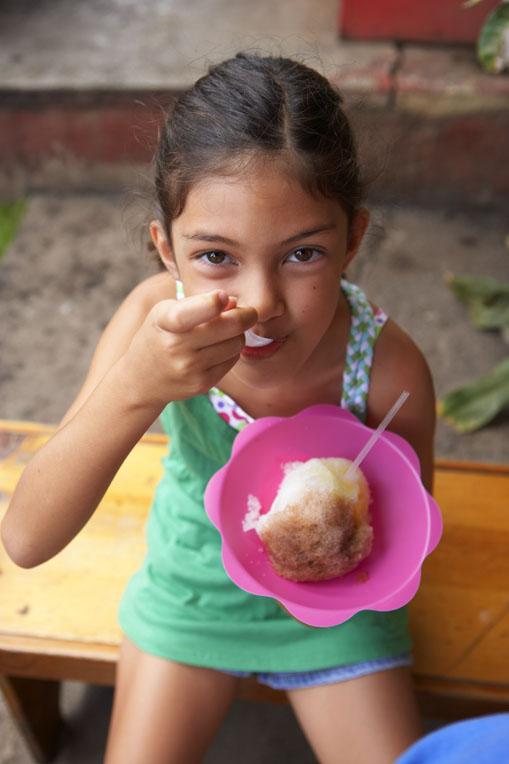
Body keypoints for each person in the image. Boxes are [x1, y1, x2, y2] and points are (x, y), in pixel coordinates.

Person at [1, 53, 436, 764]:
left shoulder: (388, 371)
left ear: (352, 240)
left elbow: (402, 538)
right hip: (192, 585)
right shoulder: (151, 324)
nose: (258, 300)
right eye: (214, 256)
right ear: (164, 251)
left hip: (336, 613)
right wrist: (136, 385)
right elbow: (26, 539)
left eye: (301, 254)